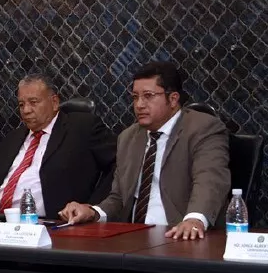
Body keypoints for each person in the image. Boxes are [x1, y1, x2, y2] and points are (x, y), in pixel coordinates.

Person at [60, 61, 231, 240]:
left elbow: (209, 181)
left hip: (181, 235)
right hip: (133, 237)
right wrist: (92, 212)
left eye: (148, 96)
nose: (139, 105)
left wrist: (195, 219)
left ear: (173, 99)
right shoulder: (128, 138)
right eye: (135, 97)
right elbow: (119, 198)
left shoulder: (203, 128)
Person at [0, 74, 117, 219]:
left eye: (33, 102)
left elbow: (119, 164)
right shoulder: (13, 138)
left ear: (54, 102)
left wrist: (94, 208)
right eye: (21, 104)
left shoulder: (82, 127)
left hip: (52, 223)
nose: (26, 110)